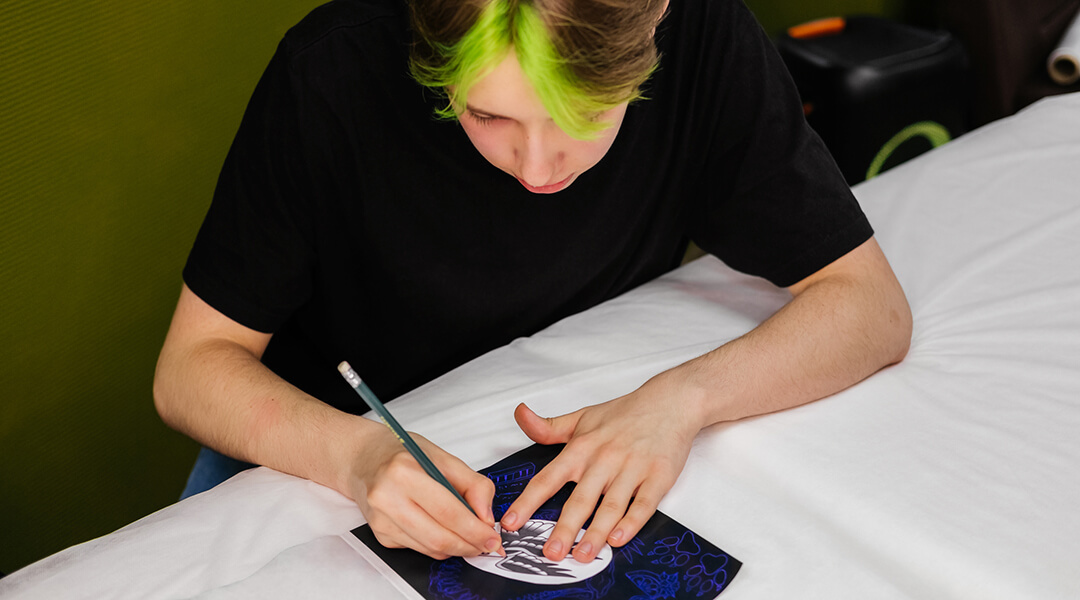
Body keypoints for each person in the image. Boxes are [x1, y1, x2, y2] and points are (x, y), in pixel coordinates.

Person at [154, 0, 912, 564]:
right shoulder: (330, 72)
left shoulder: (707, 36)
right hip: (322, 449)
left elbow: (869, 306)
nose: (537, 167)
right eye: (488, 116)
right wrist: (354, 457)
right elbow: (191, 369)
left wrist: (682, 400)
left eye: (583, 113)